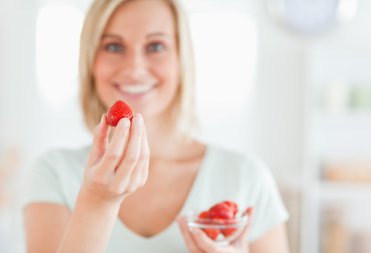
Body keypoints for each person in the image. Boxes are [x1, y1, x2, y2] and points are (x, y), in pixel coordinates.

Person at [23, 0, 290, 252]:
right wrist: (97, 202)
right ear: (91, 61)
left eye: (156, 46)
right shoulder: (53, 173)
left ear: (181, 60)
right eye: (114, 47)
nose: (135, 68)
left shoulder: (246, 177)